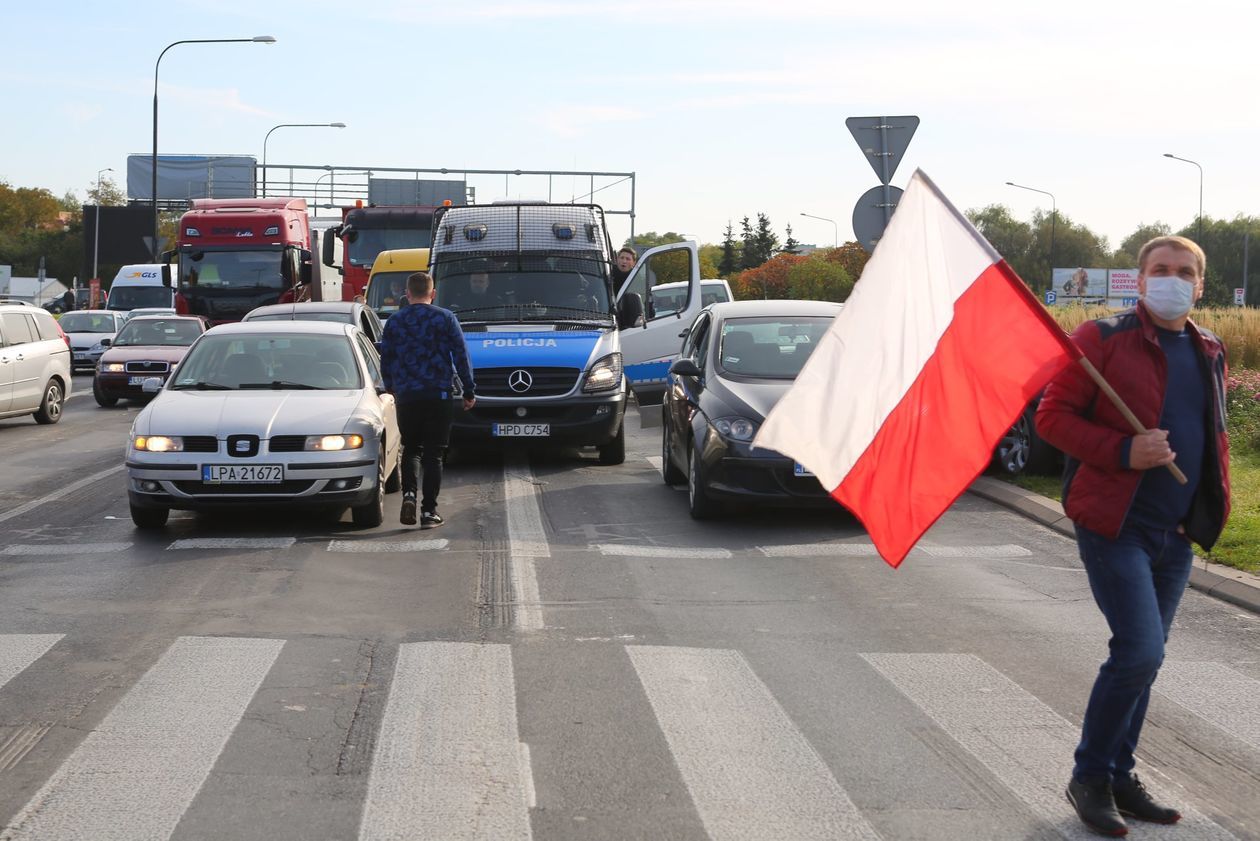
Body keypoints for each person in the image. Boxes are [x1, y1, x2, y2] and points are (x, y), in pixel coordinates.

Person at [1036, 235, 1230, 837]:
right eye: (1160, 270)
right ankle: (1089, 775)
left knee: (1146, 659)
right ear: (1140, 280)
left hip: (1176, 531)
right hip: (1115, 525)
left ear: (1200, 285)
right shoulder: (1101, 339)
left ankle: (1119, 773)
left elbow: (1211, 432)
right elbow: (1051, 419)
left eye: (1184, 272)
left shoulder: (1210, 348)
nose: (1171, 279)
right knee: (1140, 651)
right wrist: (1124, 450)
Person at [378, 272, 476, 529]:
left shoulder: (395, 322)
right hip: (438, 395)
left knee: (411, 448)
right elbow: (461, 356)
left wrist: (391, 387)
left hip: (407, 396)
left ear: (407, 294)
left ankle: (409, 494)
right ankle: (429, 511)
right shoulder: (445, 318)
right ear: (433, 294)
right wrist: (469, 390)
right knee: (434, 455)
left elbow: (385, 358)